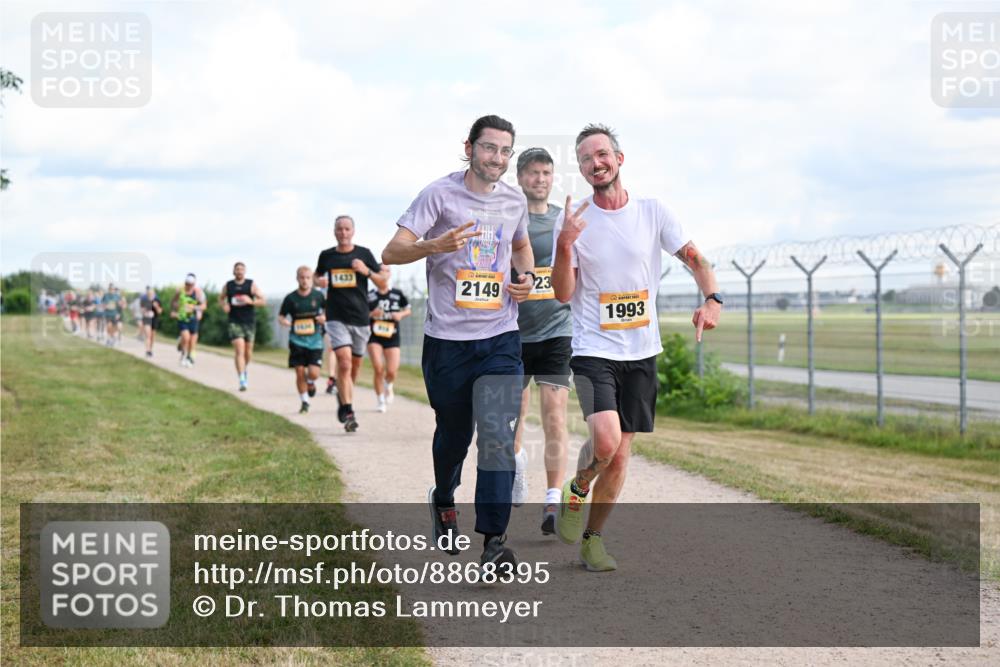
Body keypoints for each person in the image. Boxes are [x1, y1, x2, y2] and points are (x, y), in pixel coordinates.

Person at [551, 124, 723, 571]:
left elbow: (696, 259)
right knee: (605, 441)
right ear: (582, 168)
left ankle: (594, 539)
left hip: (641, 351)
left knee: (621, 453)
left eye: (602, 154)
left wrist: (712, 298)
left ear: (619, 159)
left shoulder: (653, 212)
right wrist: (565, 245)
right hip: (593, 347)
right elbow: (562, 293)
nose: (595, 163)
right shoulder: (574, 219)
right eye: (586, 159)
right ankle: (579, 486)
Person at [382, 114, 535, 567]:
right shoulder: (439, 194)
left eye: (506, 151)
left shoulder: (513, 201)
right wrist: (435, 245)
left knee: (496, 434)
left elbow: (521, 247)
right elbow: (392, 251)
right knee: (454, 436)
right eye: (490, 148)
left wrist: (523, 276)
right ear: (469, 148)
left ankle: (494, 542)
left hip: (501, 337)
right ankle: (444, 496)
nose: (498, 159)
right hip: (447, 341)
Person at [509, 147, 572, 532]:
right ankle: (516, 468)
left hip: (555, 331)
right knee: (513, 417)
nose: (540, 179)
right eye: (533, 173)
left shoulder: (563, 221)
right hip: (513, 332)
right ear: (520, 178)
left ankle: (552, 501)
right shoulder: (507, 220)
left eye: (546, 173)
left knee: (555, 414)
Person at [315, 215, 388, 432]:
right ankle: (348, 410)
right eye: (339, 229)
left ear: (353, 231)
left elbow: (383, 280)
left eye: (347, 229)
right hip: (336, 317)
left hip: (361, 319)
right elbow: (317, 276)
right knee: (344, 363)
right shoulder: (327, 256)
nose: (343, 233)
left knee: (354, 366)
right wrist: (319, 281)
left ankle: (343, 394)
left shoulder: (363, 254)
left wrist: (366, 271)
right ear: (334, 231)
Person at [279, 267, 327, 414]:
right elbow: (281, 316)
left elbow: (328, 312)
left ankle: (311, 382)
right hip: (297, 340)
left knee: (313, 373)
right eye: (302, 277)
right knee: (299, 371)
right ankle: (305, 401)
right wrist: (285, 322)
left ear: (312, 278)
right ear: (297, 278)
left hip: (315, 340)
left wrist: (324, 318)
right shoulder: (290, 298)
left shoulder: (318, 296)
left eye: (307, 277)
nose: (305, 280)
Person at [366, 267, 412, 413]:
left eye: (386, 270)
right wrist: (371, 313)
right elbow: (361, 314)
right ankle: (380, 400)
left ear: (389, 274)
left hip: (392, 335)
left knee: (391, 371)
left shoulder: (397, 294)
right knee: (378, 368)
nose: (383, 273)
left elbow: (408, 309)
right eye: (380, 270)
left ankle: (389, 385)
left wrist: (400, 315)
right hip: (374, 336)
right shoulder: (370, 295)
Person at [220, 261, 265, 391]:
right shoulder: (229, 285)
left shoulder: (251, 285)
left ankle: (244, 370)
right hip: (234, 321)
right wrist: (225, 305)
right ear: (233, 271)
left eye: (241, 269)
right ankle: (242, 379)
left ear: (244, 272)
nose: (239, 271)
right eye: (237, 269)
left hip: (249, 321)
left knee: (248, 352)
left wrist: (251, 301)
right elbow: (221, 298)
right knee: (239, 349)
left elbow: (263, 300)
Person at [171, 273, 206, 368]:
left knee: (192, 341)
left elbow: (203, 306)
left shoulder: (199, 292)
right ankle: (183, 355)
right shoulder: (180, 291)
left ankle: (189, 358)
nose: (189, 286)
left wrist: (195, 308)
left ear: (194, 284)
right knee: (186, 338)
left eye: (191, 284)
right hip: (182, 318)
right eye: (187, 283)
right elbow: (173, 302)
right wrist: (175, 310)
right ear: (185, 282)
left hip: (194, 319)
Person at [139, 286, 163, 358]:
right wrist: (145, 312)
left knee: (152, 336)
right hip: (146, 319)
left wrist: (156, 307)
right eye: (149, 293)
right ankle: (147, 351)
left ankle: (150, 350)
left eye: (151, 293)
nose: (150, 294)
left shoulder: (157, 300)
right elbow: (141, 310)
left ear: (154, 294)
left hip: (154, 319)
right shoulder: (144, 300)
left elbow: (160, 312)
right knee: (148, 335)